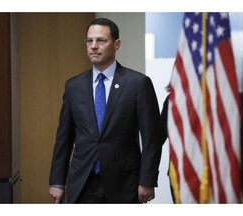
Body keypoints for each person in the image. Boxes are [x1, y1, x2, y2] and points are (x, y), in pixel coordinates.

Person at [48, 18, 162, 203]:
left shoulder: (137, 84)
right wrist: (57, 181)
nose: (93, 46)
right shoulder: (73, 86)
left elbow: (152, 139)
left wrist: (147, 180)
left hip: (124, 183)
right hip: (82, 182)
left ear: (116, 44)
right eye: (89, 41)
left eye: (101, 40)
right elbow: (64, 138)